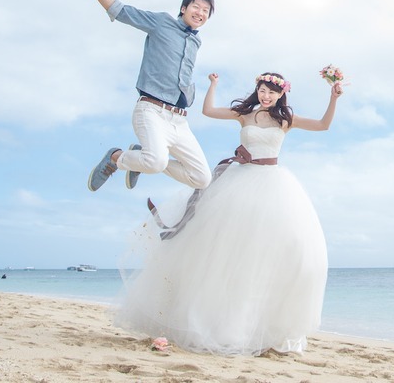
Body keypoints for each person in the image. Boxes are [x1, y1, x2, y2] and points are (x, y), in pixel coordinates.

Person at [114, 70, 343, 356]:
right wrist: (213, 85)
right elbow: (208, 111)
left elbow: (323, 125)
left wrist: (333, 98)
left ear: (281, 94)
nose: (266, 96)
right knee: (223, 252)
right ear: (257, 90)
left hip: (272, 184)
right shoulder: (244, 114)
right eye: (262, 90)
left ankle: (261, 326)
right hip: (239, 181)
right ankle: (140, 159)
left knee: (279, 252)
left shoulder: (285, 120)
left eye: (272, 92)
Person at [75, 0, 214, 193]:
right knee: (156, 161)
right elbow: (119, 10)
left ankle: (141, 156)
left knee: (202, 178)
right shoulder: (161, 23)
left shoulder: (195, 41)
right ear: (183, 8)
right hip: (151, 111)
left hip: (179, 120)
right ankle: (116, 157)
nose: (200, 13)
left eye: (206, 11)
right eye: (196, 7)